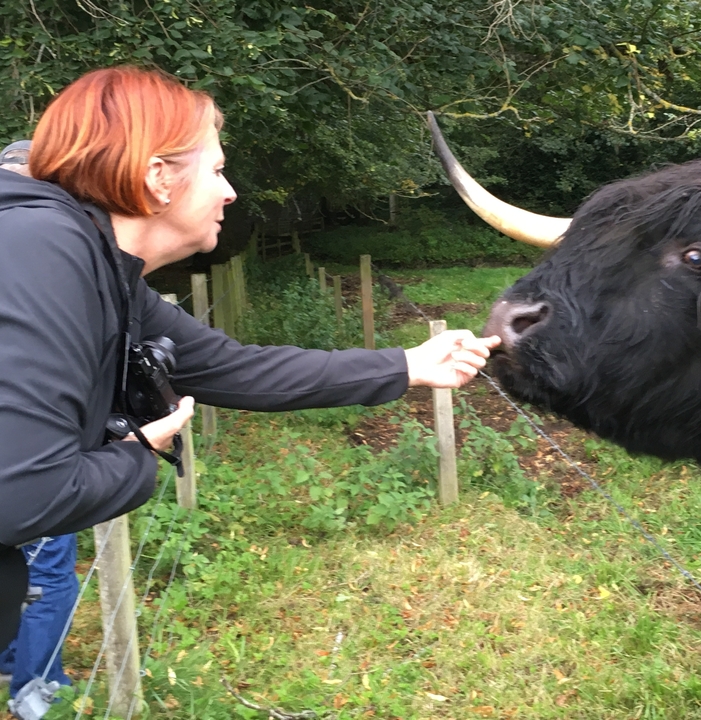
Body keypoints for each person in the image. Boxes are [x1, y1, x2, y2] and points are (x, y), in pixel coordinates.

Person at [0, 66, 500, 695]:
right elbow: (26, 496)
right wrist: (137, 459)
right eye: (216, 170)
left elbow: (234, 366)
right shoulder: (40, 250)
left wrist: (408, 365)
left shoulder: (99, 267)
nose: (230, 192)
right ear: (158, 177)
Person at [0, 142, 77, 703]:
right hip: (30, 437)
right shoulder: (44, 246)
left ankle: (10, 659)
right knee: (49, 569)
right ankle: (37, 690)